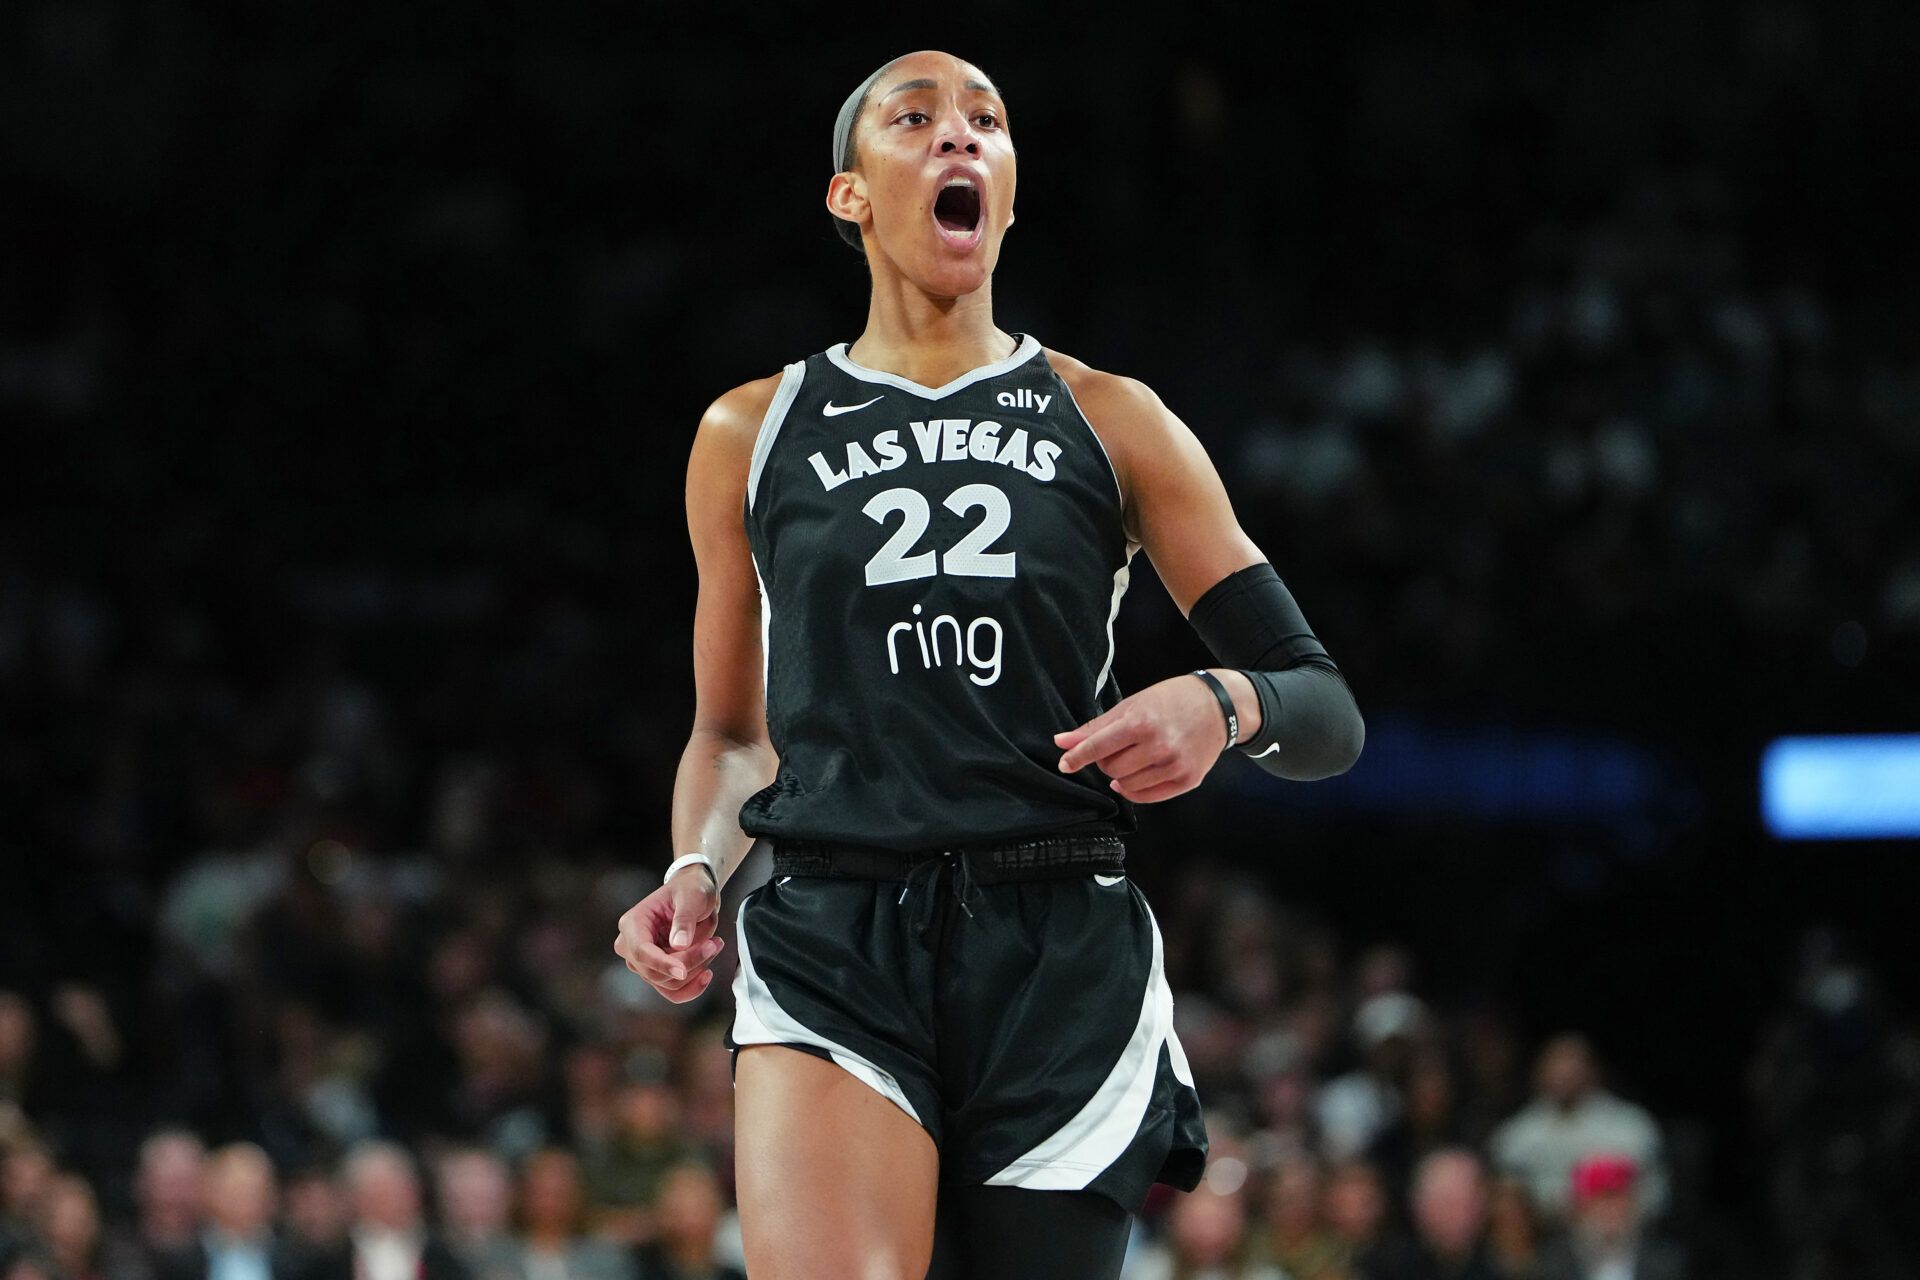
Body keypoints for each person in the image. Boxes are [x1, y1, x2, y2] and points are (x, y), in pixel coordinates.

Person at [613, 49, 1364, 1280]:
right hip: (835, 923)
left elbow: (1325, 708)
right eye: (916, 119)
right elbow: (734, 737)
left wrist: (1226, 701)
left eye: (987, 122)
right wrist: (696, 864)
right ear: (851, 194)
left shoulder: (1113, 417)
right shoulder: (751, 429)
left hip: (1056, 934)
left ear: (1009, 195)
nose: (960, 138)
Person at [1490, 1038, 1666, 1225]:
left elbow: (1656, 1193)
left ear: (1592, 1070)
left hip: (1614, 1233)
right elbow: (1503, 1197)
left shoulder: (1630, 1127)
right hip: (1542, 1235)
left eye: (1572, 1065)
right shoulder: (1518, 1135)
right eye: (1557, 1065)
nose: (1564, 1074)